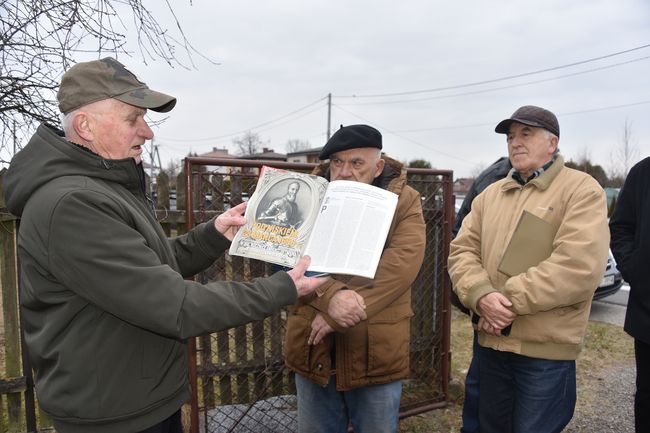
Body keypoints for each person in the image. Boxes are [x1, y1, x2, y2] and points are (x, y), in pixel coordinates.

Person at [2, 57, 327, 433]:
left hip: (137, 399)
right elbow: (173, 304)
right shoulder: (72, 204)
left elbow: (147, 267)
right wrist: (281, 288)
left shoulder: (103, 185)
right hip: (115, 415)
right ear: (85, 126)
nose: (148, 132)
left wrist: (215, 233)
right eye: (132, 119)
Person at [448, 105, 610, 433]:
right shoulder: (490, 195)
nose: (515, 142)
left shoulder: (581, 190)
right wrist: (480, 297)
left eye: (526, 134)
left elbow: (577, 267)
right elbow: (461, 251)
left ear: (553, 143)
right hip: (490, 345)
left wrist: (503, 304)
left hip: (543, 352)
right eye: (510, 137)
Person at [283, 124, 426, 433]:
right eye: (337, 162)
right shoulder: (309, 197)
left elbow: (402, 264)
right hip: (313, 344)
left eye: (356, 163)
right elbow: (288, 255)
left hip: (375, 348)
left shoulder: (405, 201)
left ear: (378, 166)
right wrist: (330, 297)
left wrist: (343, 311)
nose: (344, 171)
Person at [451, 156, 512, 433]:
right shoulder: (497, 179)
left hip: (498, 302)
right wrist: (481, 304)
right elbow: (466, 245)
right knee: (484, 384)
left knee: (485, 384)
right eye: (514, 136)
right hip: (484, 298)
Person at [609, 158, 650, 433]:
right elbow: (621, 227)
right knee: (648, 397)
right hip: (649, 313)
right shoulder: (643, 172)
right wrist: (637, 270)